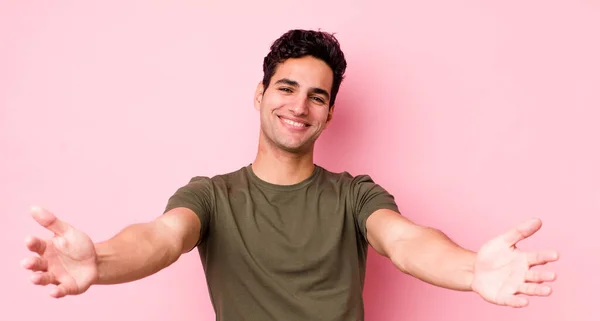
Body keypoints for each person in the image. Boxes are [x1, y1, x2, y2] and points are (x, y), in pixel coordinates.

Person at [21, 29, 559, 320]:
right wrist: (103, 261)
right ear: (260, 94)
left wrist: (471, 271)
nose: (299, 105)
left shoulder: (354, 195)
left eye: (317, 96)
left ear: (329, 113)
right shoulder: (211, 196)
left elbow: (407, 241)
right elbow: (161, 238)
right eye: (286, 87)